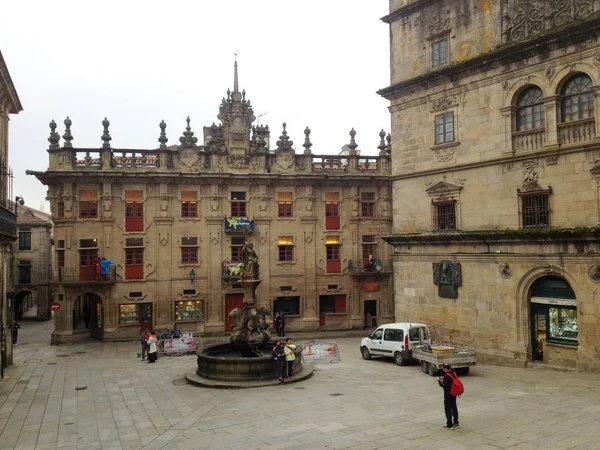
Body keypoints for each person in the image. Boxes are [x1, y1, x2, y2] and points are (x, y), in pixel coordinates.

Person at [437, 363, 459, 429]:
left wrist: (439, 380)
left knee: (448, 409)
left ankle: (449, 424)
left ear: (446, 368)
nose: (443, 370)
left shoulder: (446, 376)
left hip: (448, 394)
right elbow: (451, 379)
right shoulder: (454, 373)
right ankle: (456, 423)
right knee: (454, 407)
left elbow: (443, 385)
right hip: (454, 393)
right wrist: (444, 377)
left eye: (443, 369)